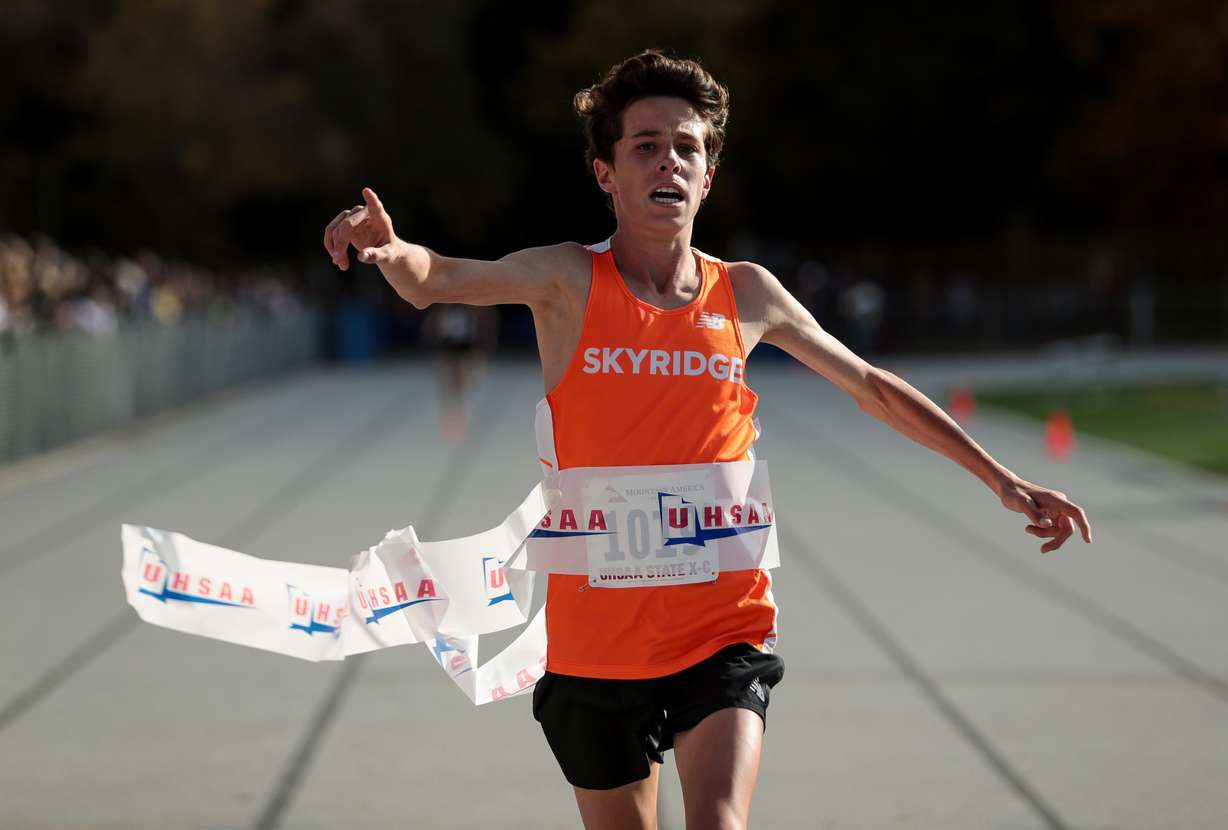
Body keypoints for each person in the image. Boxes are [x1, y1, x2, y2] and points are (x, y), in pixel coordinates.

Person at [322, 49, 1092, 830]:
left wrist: (1001, 478)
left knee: (719, 822)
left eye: (687, 147)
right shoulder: (566, 280)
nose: (669, 161)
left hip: (721, 627)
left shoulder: (747, 293)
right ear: (606, 174)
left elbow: (871, 386)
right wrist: (392, 250)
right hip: (597, 645)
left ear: (708, 175)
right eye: (646, 146)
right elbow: (440, 278)